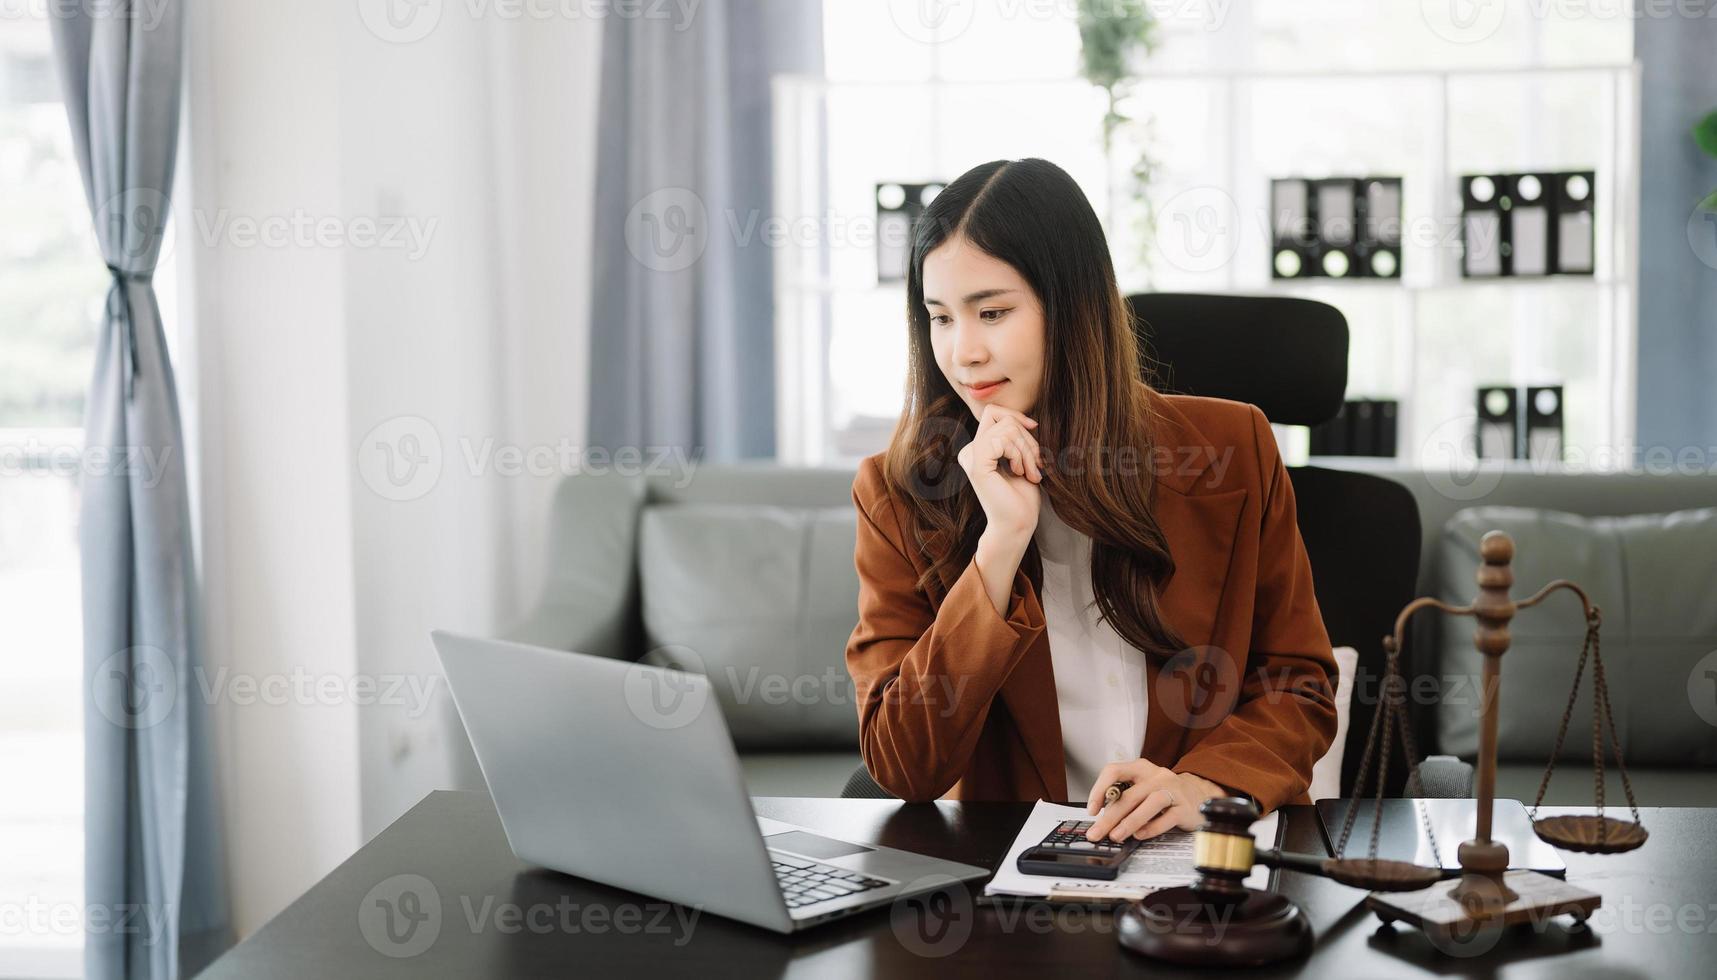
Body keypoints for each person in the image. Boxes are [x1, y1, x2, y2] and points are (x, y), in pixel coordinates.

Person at [844, 158, 1338, 843]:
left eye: (991, 312)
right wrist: (999, 547)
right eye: (940, 318)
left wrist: (1204, 786)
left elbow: (1297, 688)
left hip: (1198, 861)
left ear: (1072, 307)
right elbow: (905, 766)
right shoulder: (898, 491)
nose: (963, 353)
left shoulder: (1232, 448)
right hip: (1013, 880)